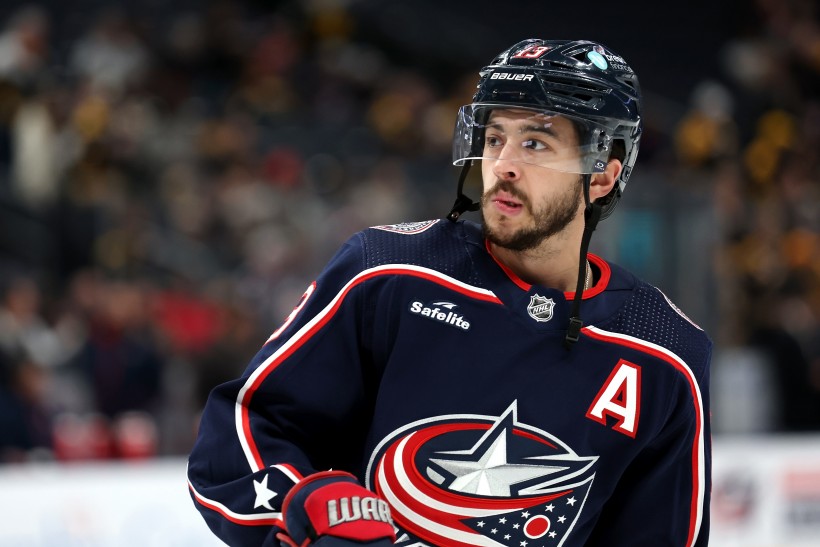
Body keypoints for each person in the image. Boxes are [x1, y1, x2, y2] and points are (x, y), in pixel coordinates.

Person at [187, 38, 712, 547]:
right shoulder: (388, 273)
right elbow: (243, 428)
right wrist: (298, 504)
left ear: (601, 177)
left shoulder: (666, 352)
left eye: (535, 143)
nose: (503, 164)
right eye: (494, 138)